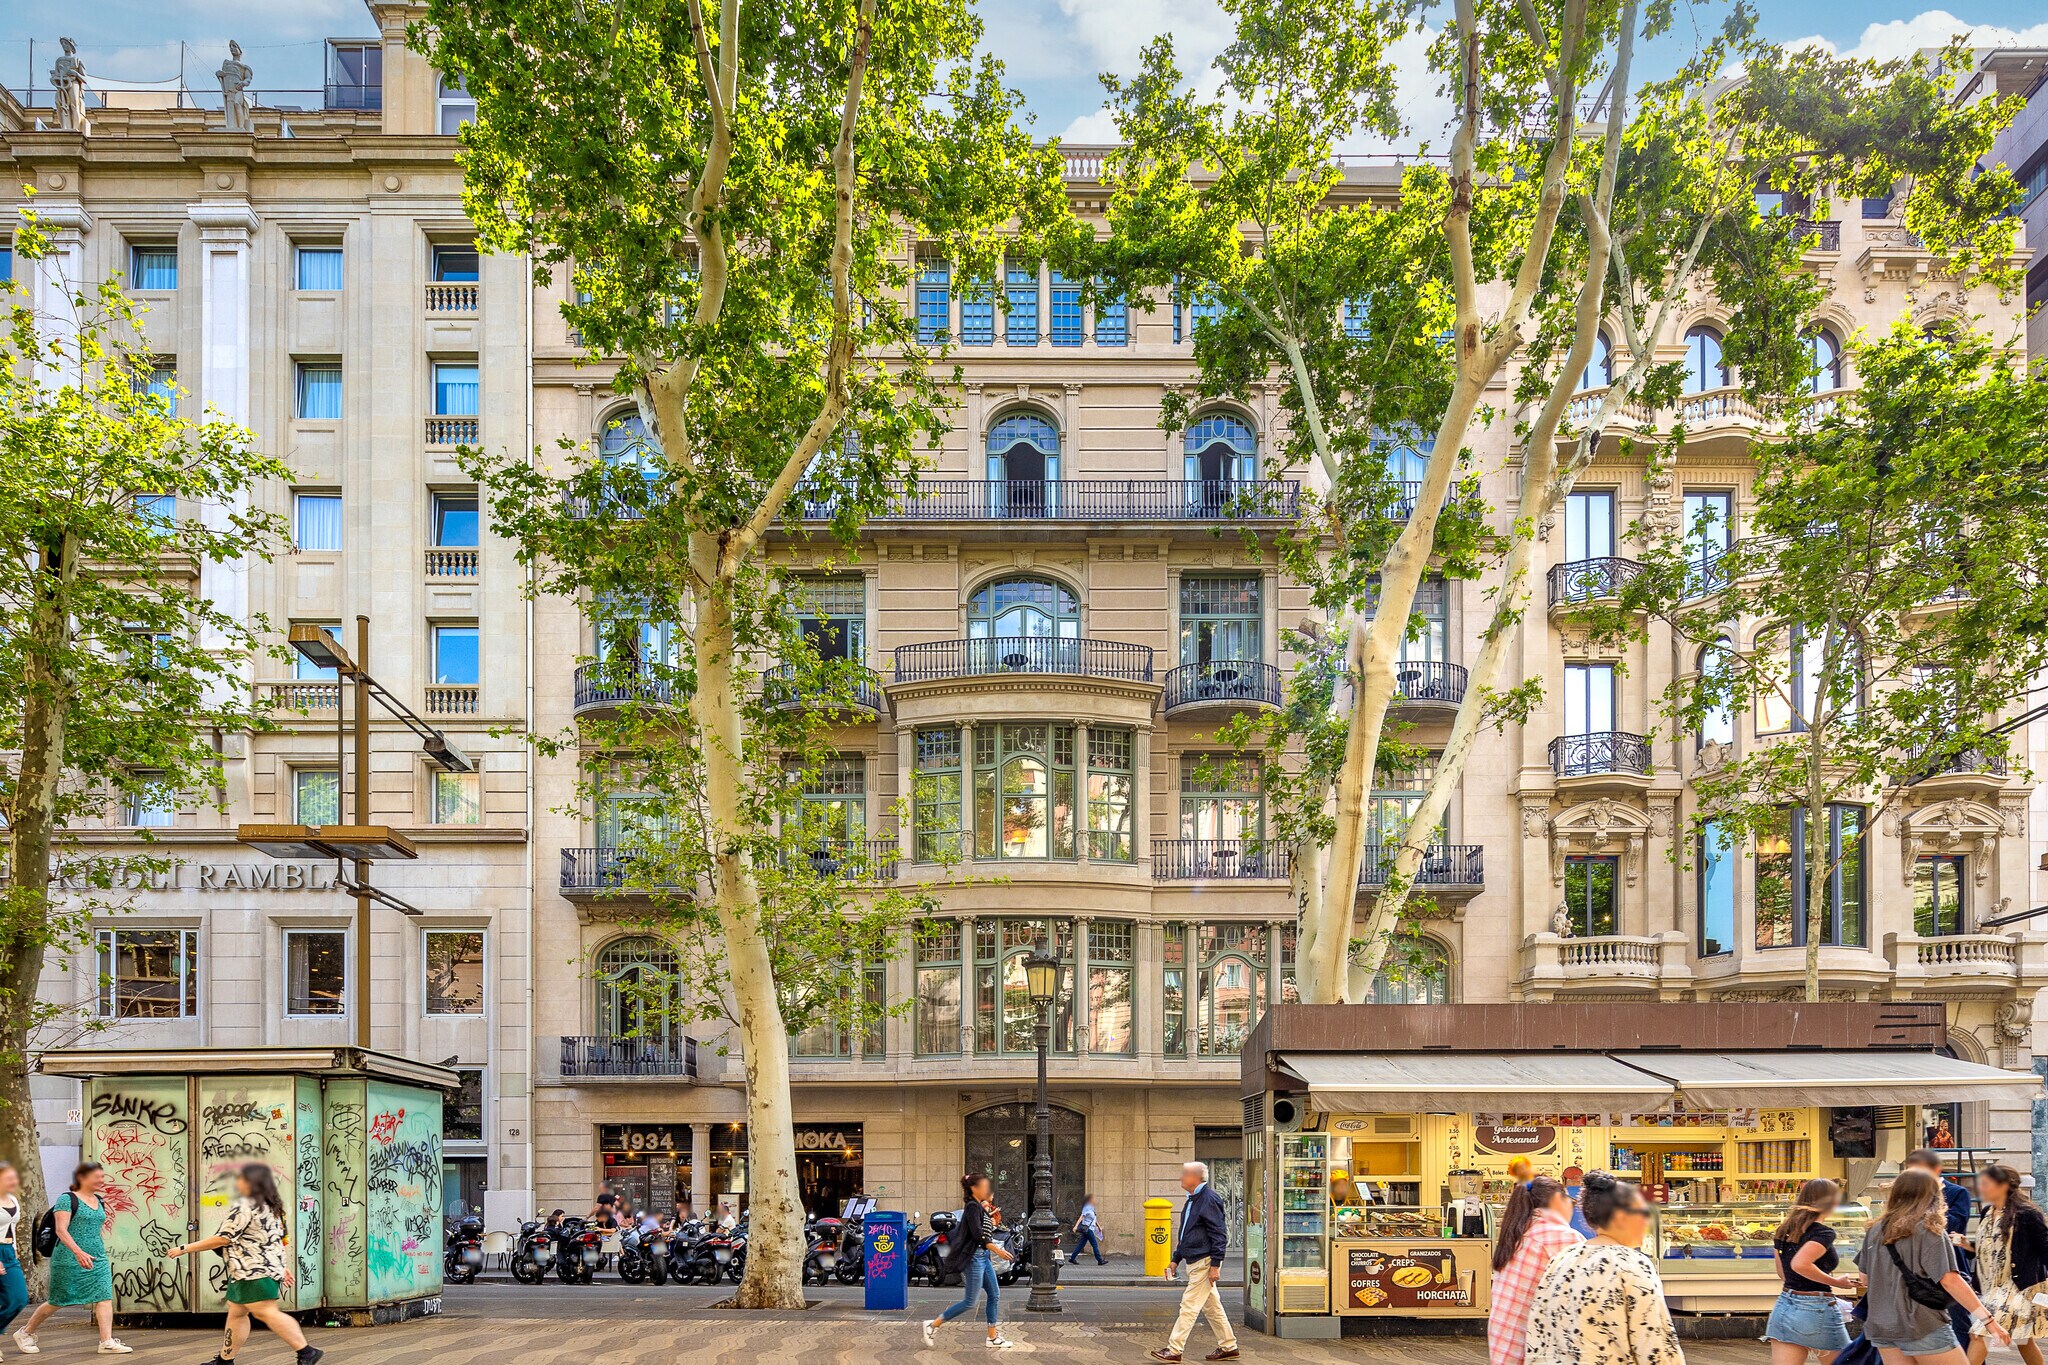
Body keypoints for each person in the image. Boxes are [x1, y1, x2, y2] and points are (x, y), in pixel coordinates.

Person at [1524, 1170, 1683, 1365]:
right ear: (1621, 1217)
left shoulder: (1561, 1259)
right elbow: (1657, 1348)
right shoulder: (1633, 1265)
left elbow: (1537, 1332)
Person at [168, 1164, 321, 1365]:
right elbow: (277, 1241)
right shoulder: (272, 1206)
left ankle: (306, 1351)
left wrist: (184, 1248)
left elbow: (223, 1238)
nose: (237, 1182)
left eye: (240, 1178)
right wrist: (282, 1267)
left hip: (253, 1272)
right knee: (237, 1312)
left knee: (266, 1312)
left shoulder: (245, 1205)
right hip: (253, 1271)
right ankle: (225, 1360)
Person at [1859, 1166, 2005, 1365]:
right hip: (1921, 1323)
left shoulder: (1876, 1229)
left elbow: (1865, 1278)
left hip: (1882, 1326)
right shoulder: (1929, 1229)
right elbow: (1950, 1281)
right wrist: (1988, 1320)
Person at [14, 1162, 129, 1355]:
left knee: (104, 1296)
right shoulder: (67, 1199)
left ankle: (106, 1341)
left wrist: (95, 1249)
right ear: (82, 1178)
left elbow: (94, 1228)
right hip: (69, 1257)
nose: (101, 1180)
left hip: (97, 1257)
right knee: (58, 1300)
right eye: (97, 1177)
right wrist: (78, 1252)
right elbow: (61, 1230)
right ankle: (25, 1332)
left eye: (102, 1176)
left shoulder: (99, 1200)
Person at [1766, 1177, 1863, 1364]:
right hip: (1816, 1307)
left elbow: (1783, 1272)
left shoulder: (1783, 1230)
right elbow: (1800, 1264)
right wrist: (1837, 1283)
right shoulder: (1823, 1233)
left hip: (1785, 1305)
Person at [1489, 1176, 1583, 1365]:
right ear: (1558, 1199)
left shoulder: (1518, 1233)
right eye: (1571, 1201)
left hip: (1504, 1350)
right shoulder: (1561, 1237)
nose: (1572, 1208)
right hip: (1533, 1354)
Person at [1150, 1161, 1238, 1364]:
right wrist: (1175, 1259)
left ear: (1196, 1177)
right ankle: (1229, 1346)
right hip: (1196, 1259)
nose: (1181, 1177)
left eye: (1185, 1174)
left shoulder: (1208, 1199)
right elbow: (1186, 1233)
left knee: (1188, 1306)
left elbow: (1219, 1234)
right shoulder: (1192, 1199)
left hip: (1205, 1261)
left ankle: (1174, 1350)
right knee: (1212, 1307)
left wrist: (1215, 1264)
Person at [1966, 1162, 2047, 1365]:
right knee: (2023, 1339)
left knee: (1980, 1334)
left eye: (1986, 1183)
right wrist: (1967, 1244)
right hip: (1994, 1286)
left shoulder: (2027, 1215)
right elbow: (1993, 1248)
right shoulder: (1987, 1212)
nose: (1981, 1188)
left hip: (2020, 1287)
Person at [921, 1173, 1014, 1351]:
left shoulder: (979, 1208)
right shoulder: (972, 1207)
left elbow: (986, 1230)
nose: (988, 1189)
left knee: (994, 1294)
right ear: (974, 1189)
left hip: (983, 1257)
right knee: (970, 1301)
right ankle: (932, 1325)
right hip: (974, 1258)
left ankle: (992, 1337)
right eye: (985, 1186)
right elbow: (978, 1235)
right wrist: (998, 1250)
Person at [1906, 1148, 1978, 1347]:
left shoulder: (1957, 1193)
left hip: (1949, 1265)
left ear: (1935, 1170)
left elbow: (1954, 1225)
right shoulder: (1909, 1196)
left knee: (1960, 1324)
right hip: (1918, 1271)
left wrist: (1932, 1197)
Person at [0, 1163, 28, 1349]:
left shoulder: (12, 1199)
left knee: (18, 1298)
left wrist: (15, 1252)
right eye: (9, 1178)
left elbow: (12, 1228)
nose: (14, 1181)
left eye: (14, 1177)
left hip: (8, 1252)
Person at [1070, 1194, 1106, 1266]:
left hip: (1090, 1229)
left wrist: (1099, 1227)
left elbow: (1094, 1219)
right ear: (1090, 1200)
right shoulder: (1087, 1207)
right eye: (1093, 1199)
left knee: (1081, 1244)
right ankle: (1100, 1260)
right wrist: (1076, 1226)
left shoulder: (1092, 1207)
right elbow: (1082, 1217)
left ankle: (1072, 1258)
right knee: (1094, 1244)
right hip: (1087, 1229)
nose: (1095, 1200)